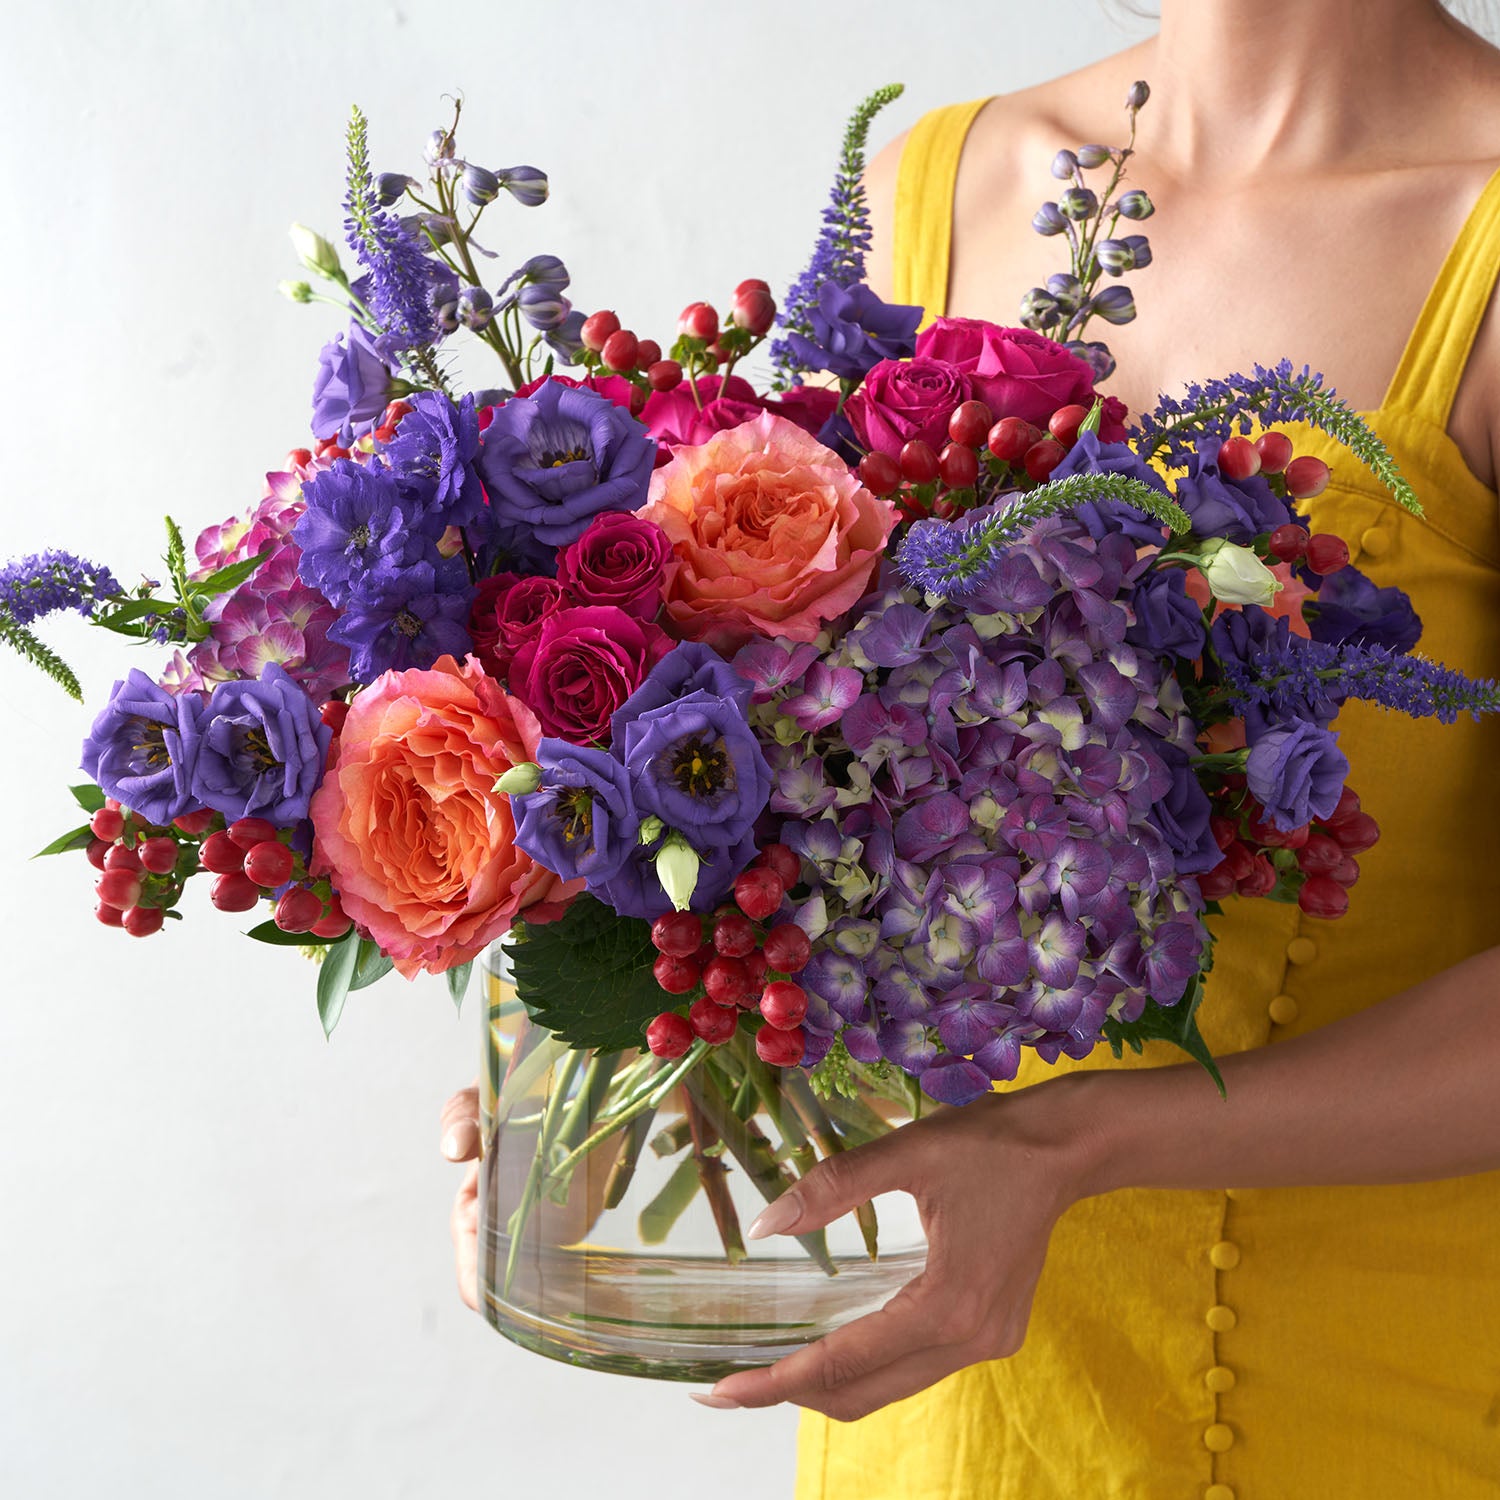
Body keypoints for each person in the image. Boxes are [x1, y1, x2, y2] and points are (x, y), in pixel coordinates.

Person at [443, 2, 1500, 1493]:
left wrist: (1076, 1146)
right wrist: (612, 1075)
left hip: (1334, 1400)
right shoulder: (942, 180)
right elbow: (801, 784)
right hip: (936, 1413)